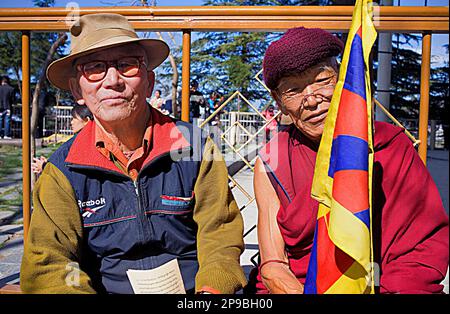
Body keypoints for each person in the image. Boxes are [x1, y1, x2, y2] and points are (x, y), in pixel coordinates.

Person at [21, 13, 247, 294]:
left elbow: (220, 235)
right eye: (95, 68)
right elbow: (49, 263)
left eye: (127, 65)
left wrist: (212, 289)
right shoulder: (63, 170)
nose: (113, 80)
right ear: (77, 89)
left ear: (149, 82)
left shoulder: (195, 148)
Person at [250, 27, 449, 294]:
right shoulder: (273, 160)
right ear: (279, 102)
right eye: (293, 90)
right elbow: (273, 266)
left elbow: (418, 252)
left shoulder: (388, 147)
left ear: (343, 78)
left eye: (321, 79)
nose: (311, 100)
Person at [31, 104, 94, 175]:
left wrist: (44, 166)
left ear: (87, 120)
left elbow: (72, 173)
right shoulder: (87, 139)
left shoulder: (80, 142)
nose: (71, 122)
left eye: (74, 118)